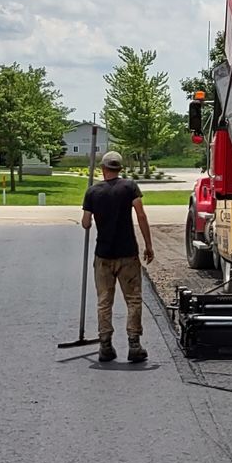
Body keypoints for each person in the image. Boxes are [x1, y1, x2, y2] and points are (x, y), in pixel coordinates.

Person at [81, 149, 155, 362]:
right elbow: (141, 215)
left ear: (103, 169)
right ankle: (134, 344)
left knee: (104, 301)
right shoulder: (130, 187)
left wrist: (93, 212)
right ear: (119, 169)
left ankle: (105, 345)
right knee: (133, 299)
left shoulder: (93, 192)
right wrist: (149, 245)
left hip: (103, 255)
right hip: (127, 253)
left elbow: (86, 223)